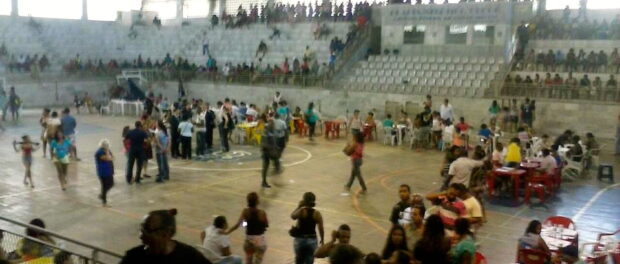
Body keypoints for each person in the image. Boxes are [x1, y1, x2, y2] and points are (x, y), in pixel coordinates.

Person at [120, 209, 212, 264]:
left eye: (147, 230)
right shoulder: (133, 257)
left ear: (166, 233)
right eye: (141, 229)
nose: (141, 235)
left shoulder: (189, 256)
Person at [226, 192, 268, 264]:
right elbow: (266, 225)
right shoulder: (262, 213)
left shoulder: (245, 212)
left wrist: (228, 232)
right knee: (258, 260)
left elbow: (239, 225)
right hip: (260, 241)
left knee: (248, 260)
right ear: (257, 201)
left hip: (249, 241)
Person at [291, 192, 324, 264]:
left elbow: (293, 216)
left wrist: (299, 206)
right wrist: (322, 239)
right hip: (312, 240)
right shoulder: (317, 213)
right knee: (310, 261)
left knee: (299, 260)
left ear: (304, 200)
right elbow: (321, 228)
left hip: (300, 240)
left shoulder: (302, 211)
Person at [260, 119, 280, 188]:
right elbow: (264, 144)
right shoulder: (267, 133)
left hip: (269, 152)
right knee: (265, 167)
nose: (273, 126)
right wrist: (271, 149)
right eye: (272, 124)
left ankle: (264, 181)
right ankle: (264, 182)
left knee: (266, 167)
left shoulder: (270, 132)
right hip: (267, 153)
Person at [94, 139, 114, 207]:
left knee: (111, 184)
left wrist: (109, 155)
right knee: (104, 186)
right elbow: (107, 158)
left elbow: (113, 157)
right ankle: (104, 202)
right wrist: (108, 153)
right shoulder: (99, 152)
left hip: (109, 171)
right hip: (103, 172)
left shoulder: (107, 151)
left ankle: (102, 195)